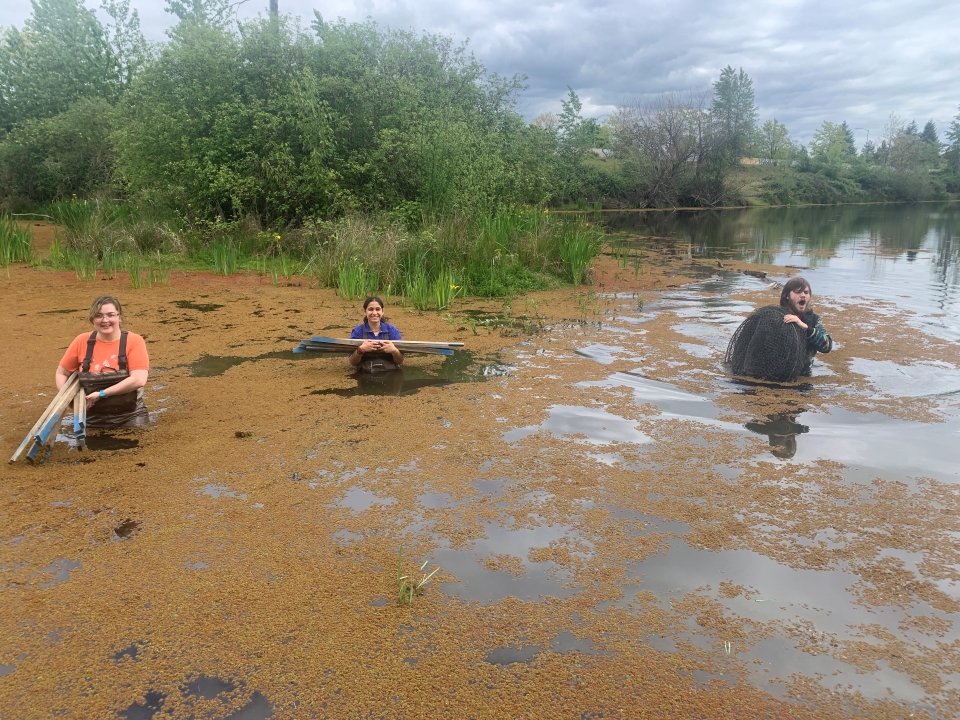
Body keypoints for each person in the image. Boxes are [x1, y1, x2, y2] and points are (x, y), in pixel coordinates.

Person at [55, 295, 150, 428]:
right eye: (99, 315)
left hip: (130, 417)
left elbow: (139, 380)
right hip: (90, 418)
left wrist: (101, 394)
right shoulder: (81, 341)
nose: (105, 320)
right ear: (92, 319)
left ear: (119, 316)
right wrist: (71, 399)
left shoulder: (134, 341)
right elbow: (62, 373)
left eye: (110, 315)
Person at [780, 277, 833, 366]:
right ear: (787, 296)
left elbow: (827, 346)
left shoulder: (814, 320)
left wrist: (807, 329)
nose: (803, 295)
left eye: (806, 292)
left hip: (804, 371)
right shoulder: (776, 316)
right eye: (798, 292)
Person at [348, 296, 404, 372]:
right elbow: (352, 362)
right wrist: (361, 350)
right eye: (370, 309)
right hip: (364, 374)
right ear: (365, 311)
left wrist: (394, 351)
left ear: (382, 311)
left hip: (390, 374)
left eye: (378, 309)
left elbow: (400, 361)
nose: (374, 313)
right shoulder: (357, 331)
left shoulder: (392, 330)